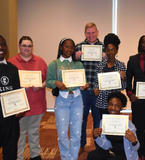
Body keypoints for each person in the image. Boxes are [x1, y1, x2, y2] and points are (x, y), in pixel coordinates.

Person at [46, 38, 89, 160]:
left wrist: (84, 85)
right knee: (63, 133)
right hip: (62, 100)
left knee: (77, 132)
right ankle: (65, 157)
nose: (69, 49)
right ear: (61, 48)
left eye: (71, 47)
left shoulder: (79, 64)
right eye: (66, 47)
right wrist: (56, 83)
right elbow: (48, 82)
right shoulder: (54, 64)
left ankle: (73, 157)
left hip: (77, 99)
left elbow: (82, 81)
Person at [8, 36, 48, 160]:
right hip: (18, 106)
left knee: (34, 132)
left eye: (29, 46)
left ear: (32, 47)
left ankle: (35, 155)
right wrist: (18, 86)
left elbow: (48, 79)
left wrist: (41, 85)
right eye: (24, 45)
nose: (27, 48)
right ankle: (19, 156)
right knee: (19, 134)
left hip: (37, 104)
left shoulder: (40, 61)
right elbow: (7, 83)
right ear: (19, 46)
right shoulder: (11, 62)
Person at [75, 22, 104, 152]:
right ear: (85, 33)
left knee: (98, 119)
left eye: (93, 32)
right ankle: (81, 144)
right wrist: (74, 58)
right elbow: (72, 68)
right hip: (83, 90)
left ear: (97, 32)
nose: (91, 35)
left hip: (99, 90)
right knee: (81, 119)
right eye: (88, 33)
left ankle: (98, 146)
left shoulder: (104, 48)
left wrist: (106, 57)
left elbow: (111, 67)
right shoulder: (78, 47)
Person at [87, 91, 139, 160]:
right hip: (110, 152)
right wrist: (96, 137)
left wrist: (134, 141)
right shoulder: (103, 122)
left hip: (125, 154)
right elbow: (105, 146)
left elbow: (135, 148)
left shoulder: (129, 125)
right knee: (92, 156)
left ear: (121, 107)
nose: (113, 108)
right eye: (110, 104)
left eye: (117, 106)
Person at [93, 33, 126, 116]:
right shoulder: (100, 65)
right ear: (105, 51)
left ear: (116, 50)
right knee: (102, 125)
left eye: (112, 49)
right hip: (102, 101)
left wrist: (123, 78)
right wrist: (96, 89)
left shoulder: (121, 65)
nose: (110, 52)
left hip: (115, 102)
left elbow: (123, 86)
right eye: (108, 50)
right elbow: (96, 83)